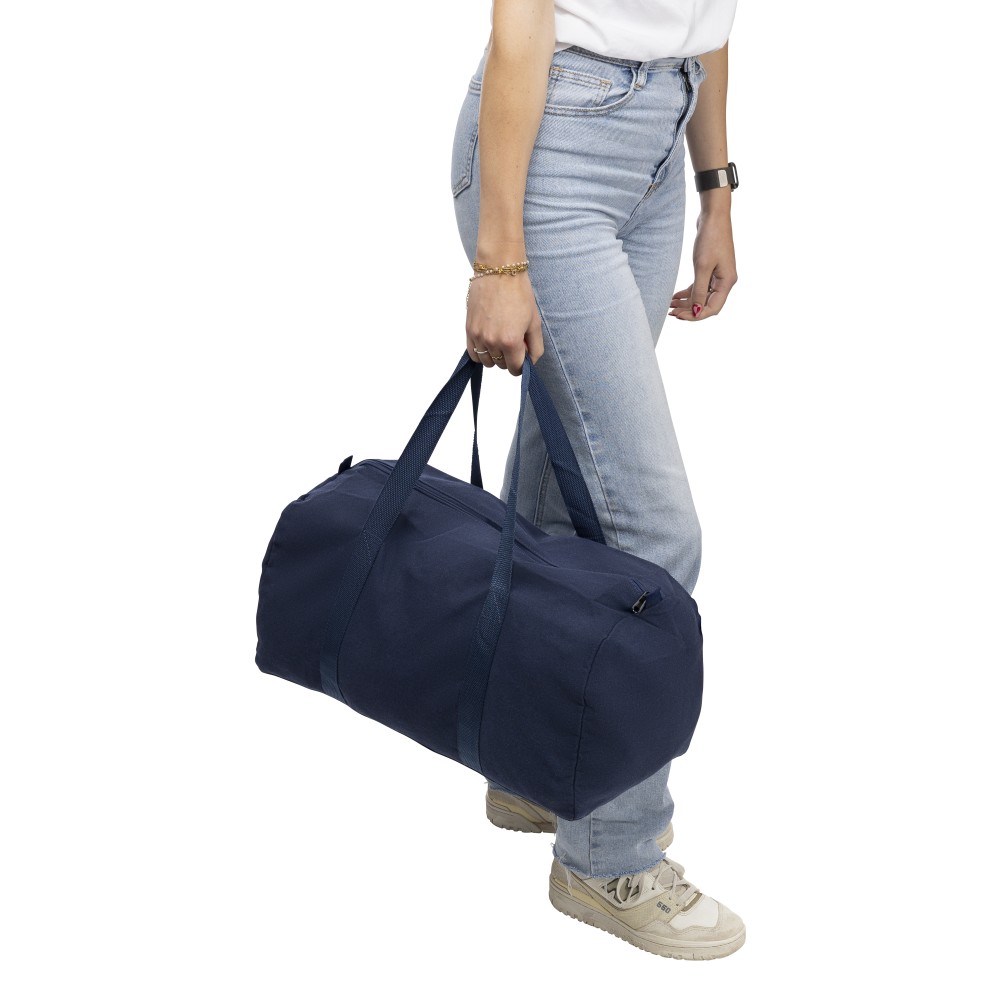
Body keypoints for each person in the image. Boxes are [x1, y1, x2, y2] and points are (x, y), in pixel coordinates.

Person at [450, 0, 743, 961]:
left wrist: (716, 192)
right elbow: (521, 23)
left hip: (659, 145)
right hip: (554, 145)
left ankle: (532, 763)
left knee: (563, 482)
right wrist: (498, 260)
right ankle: (609, 856)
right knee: (653, 536)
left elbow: (710, 19)